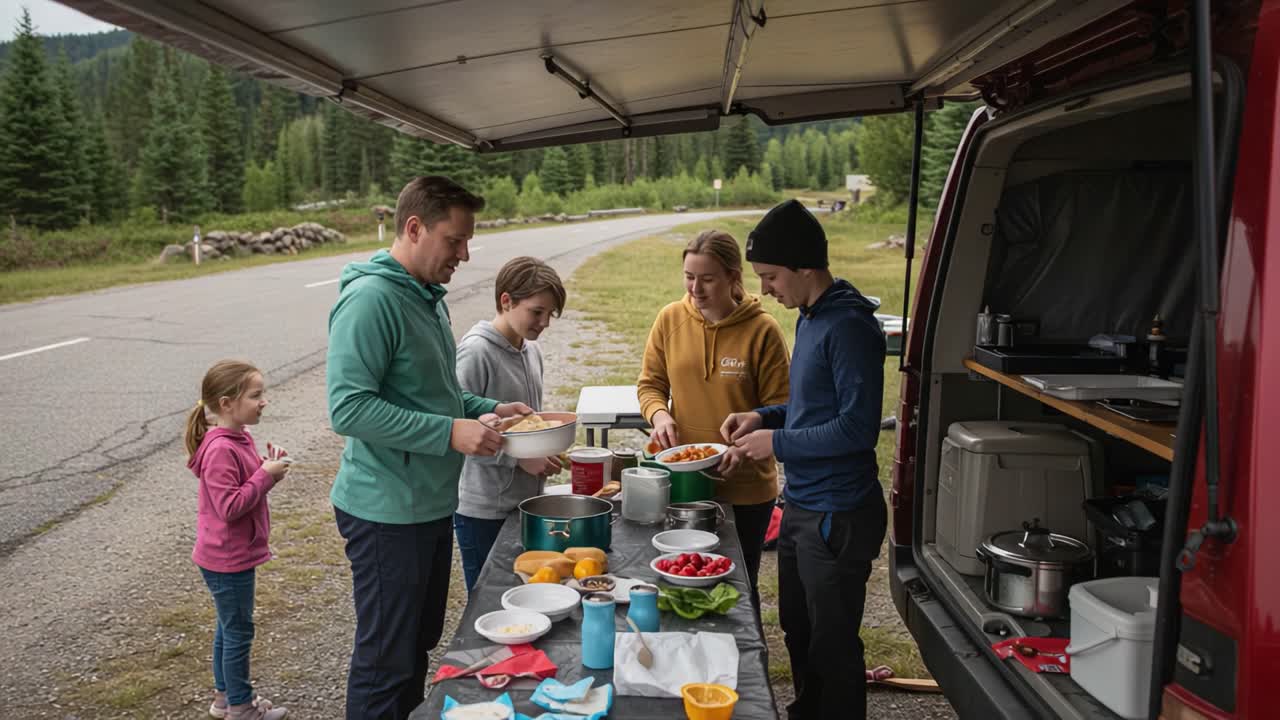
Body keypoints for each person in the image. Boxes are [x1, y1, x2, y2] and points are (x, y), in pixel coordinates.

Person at [326, 176, 533, 720]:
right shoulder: (371, 300)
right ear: (414, 228)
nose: (463, 255)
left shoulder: (427, 298)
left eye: (467, 241)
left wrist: (488, 408)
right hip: (386, 510)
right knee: (385, 661)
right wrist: (449, 432)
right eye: (454, 240)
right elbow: (348, 408)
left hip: (430, 504)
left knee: (416, 645)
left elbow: (436, 394)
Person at [721, 199, 887, 720]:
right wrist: (763, 417)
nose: (766, 289)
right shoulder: (811, 317)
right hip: (803, 504)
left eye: (771, 276)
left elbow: (857, 428)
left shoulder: (849, 327)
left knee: (832, 643)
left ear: (805, 267)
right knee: (798, 625)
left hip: (838, 511)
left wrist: (778, 444)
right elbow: (813, 407)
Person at [637, 229, 791, 603]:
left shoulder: (763, 330)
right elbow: (650, 385)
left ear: (733, 277)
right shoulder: (670, 319)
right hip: (685, 482)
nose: (696, 289)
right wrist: (659, 416)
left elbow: (782, 407)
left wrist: (742, 449)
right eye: (689, 277)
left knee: (740, 585)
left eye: (707, 279)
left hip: (747, 487)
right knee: (683, 576)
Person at [185, 359, 291, 720]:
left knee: (228, 628)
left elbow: (241, 482)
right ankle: (242, 708)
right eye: (256, 395)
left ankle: (224, 699)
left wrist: (266, 467)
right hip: (227, 560)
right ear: (227, 403)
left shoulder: (238, 437)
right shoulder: (220, 448)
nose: (264, 401)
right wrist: (264, 476)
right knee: (238, 633)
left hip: (229, 555)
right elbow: (229, 506)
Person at [454, 256, 567, 592]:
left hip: (526, 503)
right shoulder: (476, 353)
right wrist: (519, 458)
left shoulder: (532, 350)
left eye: (550, 314)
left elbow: (523, 426)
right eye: (537, 312)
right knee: (488, 598)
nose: (544, 323)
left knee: (525, 593)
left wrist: (543, 449)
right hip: (484, 509)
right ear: (506, 301)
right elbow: (458, 432)